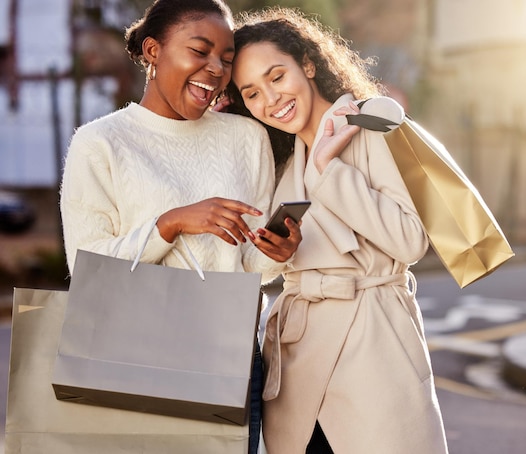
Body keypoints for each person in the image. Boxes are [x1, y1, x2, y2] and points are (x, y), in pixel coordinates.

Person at [59, 1, 302, 452]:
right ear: (153, 50)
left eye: (226, 59)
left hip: (229, 358)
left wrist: (274, 254)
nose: (215, 69)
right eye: (200, 50)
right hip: (133, 357)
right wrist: (170, 223)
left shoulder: (245, 139)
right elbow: (86, 268)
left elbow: (249, 268)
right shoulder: (99, 143)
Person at [224, 7, 449, 454]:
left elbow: (410, 241)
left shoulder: (371, 123)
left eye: (276, 76)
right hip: (297, 359)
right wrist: (280, 250)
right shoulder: (284, 163)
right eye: (251, 93)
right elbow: (269, 266)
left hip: (372, 347)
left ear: (308, 64)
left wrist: (330, 172)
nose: (269, 99)